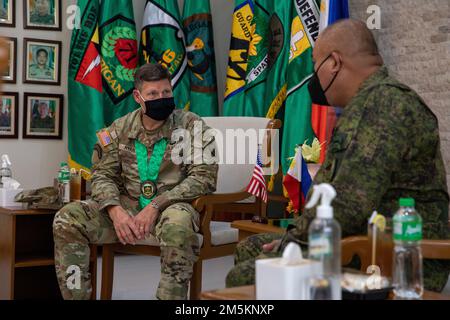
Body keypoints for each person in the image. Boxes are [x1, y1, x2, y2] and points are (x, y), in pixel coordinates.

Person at [226, 19, 450, 293]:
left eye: (315, 66)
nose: (314, 79)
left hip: (390, 258)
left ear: (334, 63)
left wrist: (292, 244)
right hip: (364, 240)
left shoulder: (380, 105)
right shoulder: (372, 101)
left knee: (244, 277)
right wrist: (292, 237)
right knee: (253, 248)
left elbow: (347, 204)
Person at [53, 63, 218, 300]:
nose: (161, 98)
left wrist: (156, 205)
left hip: (172, 206)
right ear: (138, 97)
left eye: (166, 92)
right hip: (127, 206)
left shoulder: (193, 126)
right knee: (67, 218)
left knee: (178, 226)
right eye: (153, 94)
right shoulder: (118, 130)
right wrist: (115, 210)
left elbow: (204, 177)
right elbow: (102, 175)